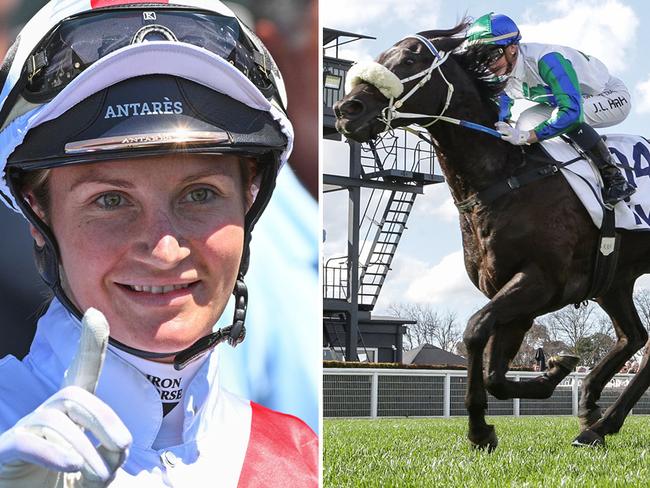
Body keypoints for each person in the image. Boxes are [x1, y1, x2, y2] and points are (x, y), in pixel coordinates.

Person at [0, 0, 317, 486]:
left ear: (250, 200)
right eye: (109, 201)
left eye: (200, 194)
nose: (166, 250)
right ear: (36, 213)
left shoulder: (304, 456)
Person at [466, 12, 636, 206]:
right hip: (570, 101)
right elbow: (502, 113)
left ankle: (614, 177)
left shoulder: (547, 60)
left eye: (492, 55)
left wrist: (529, 136)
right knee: (524, 121)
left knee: (567, 118)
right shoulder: (500, 73)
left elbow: (571, 112)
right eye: (480, 58)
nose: (489, 64)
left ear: (512, 48)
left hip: (610, 95)